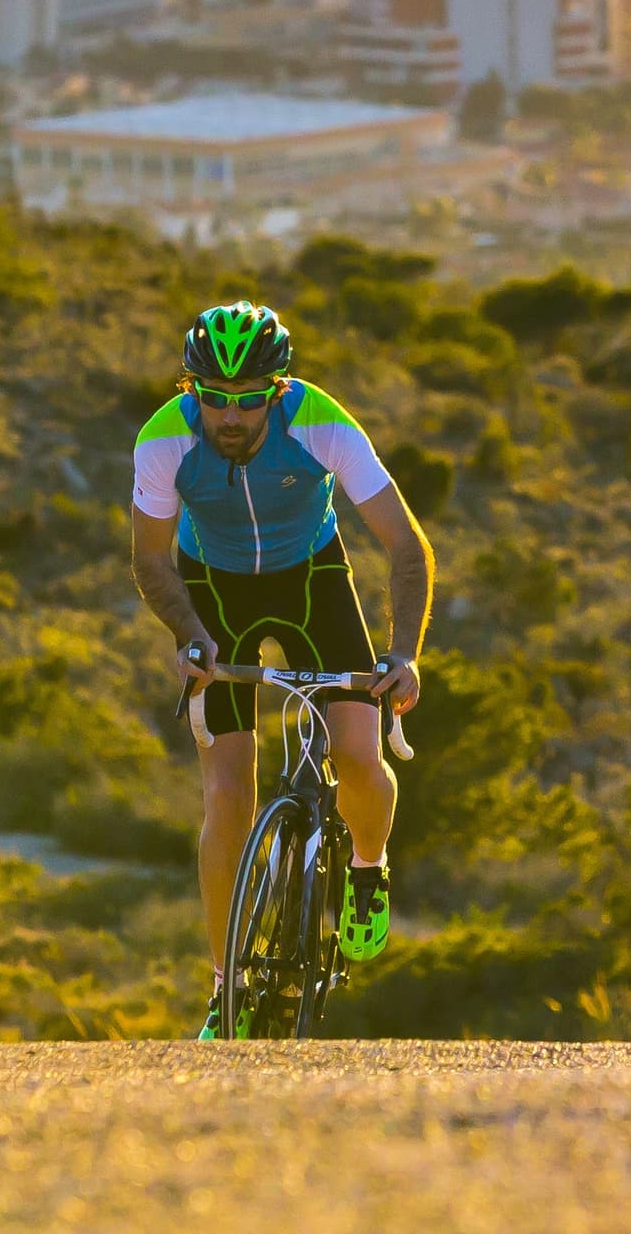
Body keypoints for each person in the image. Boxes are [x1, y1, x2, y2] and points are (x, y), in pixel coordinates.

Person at [127, 300, 433, 1035]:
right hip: (213, 592)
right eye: (213, 398)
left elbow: (406, 545)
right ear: (190, 387)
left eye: (247, 399)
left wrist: (403, 654)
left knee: (359, 754)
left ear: (277, 388)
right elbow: (149, 559)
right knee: (227, 793)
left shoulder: (322, 422)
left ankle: (366, 867)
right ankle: (223, 985)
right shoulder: (164, 439)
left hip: (311, 581)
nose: (229, 416)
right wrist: (193, 637)